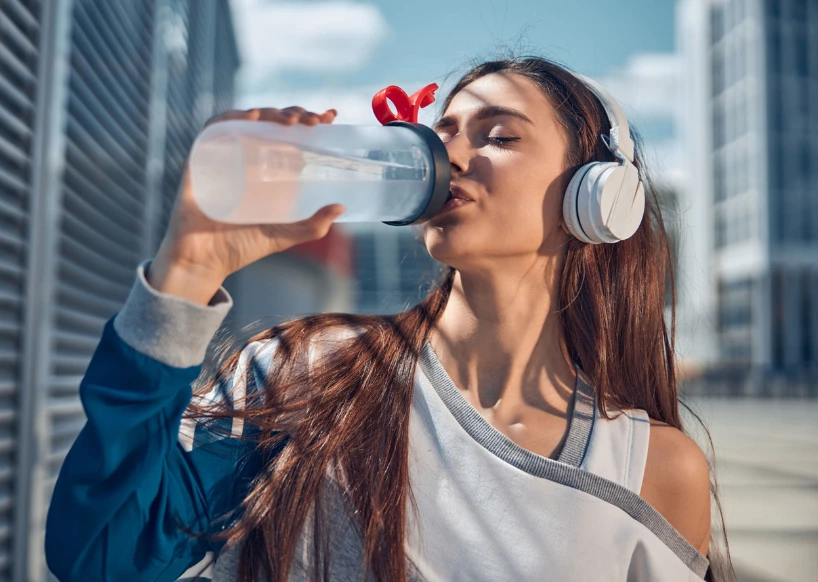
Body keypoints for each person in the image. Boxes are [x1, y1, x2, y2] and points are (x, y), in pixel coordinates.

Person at [46, 57, 730, 581]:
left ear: (597, 196)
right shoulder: (305, 376)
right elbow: (103, 555)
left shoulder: (655, 469)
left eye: (497, 135)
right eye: (442, 134)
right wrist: (187, 273)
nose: (450, 158)